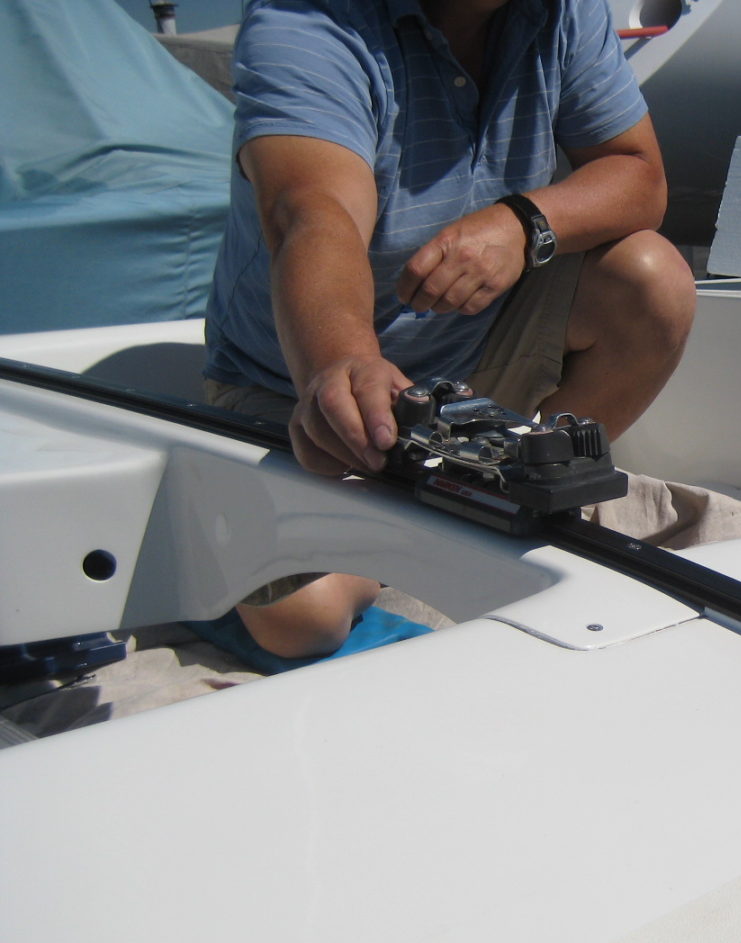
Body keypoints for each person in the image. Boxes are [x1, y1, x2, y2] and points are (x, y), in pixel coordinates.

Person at [202, 0, 695, 659]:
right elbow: (312, 213)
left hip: (466, 366)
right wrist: (343, 365)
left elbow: (638, 174)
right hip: (297, 390)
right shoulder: (306, 17)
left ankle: (500, 493)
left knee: (652, 280)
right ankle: (460, 513)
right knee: (304, 621)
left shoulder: (563, 10)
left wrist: (522, 223)